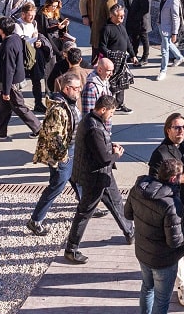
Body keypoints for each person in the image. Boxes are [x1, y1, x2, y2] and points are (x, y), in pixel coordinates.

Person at [63, 94, 133, 263]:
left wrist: (110, 145)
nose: (112, 116)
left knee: (116, 202)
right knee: (85, 212)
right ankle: (71, 249)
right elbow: (103, 158)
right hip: (94, 178)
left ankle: (129, 232)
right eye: (111, 112)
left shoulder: (90, 119)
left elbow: (98, 147)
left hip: (102, 175)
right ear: (103, 110)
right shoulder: (94, 128)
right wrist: (116, 154)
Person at [149, 113, 184, 308]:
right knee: (177, 247)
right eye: (177, 128)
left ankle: (175, 277)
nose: (181, 131)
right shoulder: (160, 153)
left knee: (180, 246)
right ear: (167, 130)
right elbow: (152, 185)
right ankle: (181, 285)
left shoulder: (182, 146)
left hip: (183, 206)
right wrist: (178, 180)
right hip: (169, 209)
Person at [125, 156, 184, 314]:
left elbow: (127, 214)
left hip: (143, 252)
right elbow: (175, 242)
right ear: (174, 179)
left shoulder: (137, 189)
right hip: (163, 260)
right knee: (162, 300)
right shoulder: (172, 205)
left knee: (147, 288)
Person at [27, 74, 82, 235]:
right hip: (64, 154)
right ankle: (35, 220)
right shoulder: (58, 109)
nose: (79, 91)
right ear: (66, 89)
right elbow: (54, 137)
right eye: (76, 88)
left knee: (78, 179)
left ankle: (86, 205)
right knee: (56, 186)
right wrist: (62, 157)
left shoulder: (70, 103)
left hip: (72, 150)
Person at [0, 16, 42, 140]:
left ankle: (38, 128)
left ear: (0, 30)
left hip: (11, 83)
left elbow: (8, 70)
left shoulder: (7, 46)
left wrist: (6, 91)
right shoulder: (16, 38)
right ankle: (0, 132)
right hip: (14, 80)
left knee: (19, 106)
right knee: (4, 108)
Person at [157, 0, 184, 81]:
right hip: (161, 25)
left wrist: (174, 33)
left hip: (167, 28)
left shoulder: (173, 0)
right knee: (168, 44)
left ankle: (163, 71)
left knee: (164, 50)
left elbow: (176, 18)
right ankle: (179, 57)